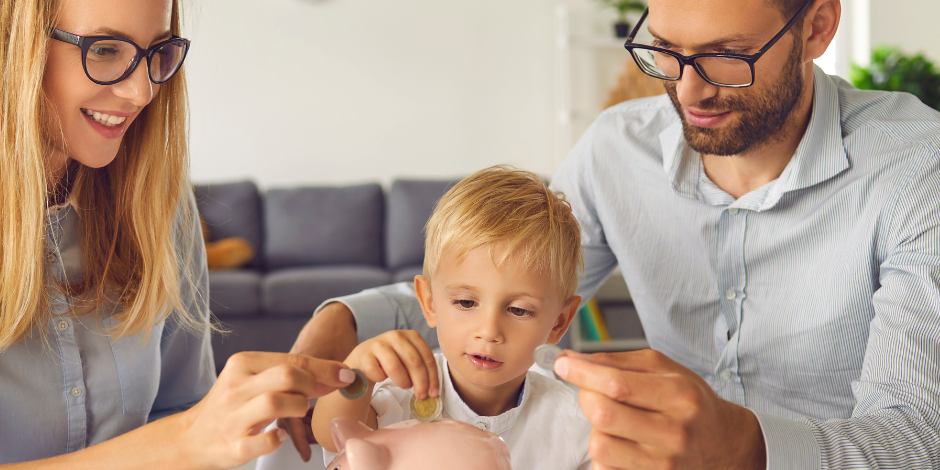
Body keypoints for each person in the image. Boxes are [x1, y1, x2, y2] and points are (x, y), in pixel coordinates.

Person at [282, 0, 940, 467]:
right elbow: (502, 281)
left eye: (728, 56)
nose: (689, 92)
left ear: (819, 25)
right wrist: (343, 319)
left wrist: (744, 449)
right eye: (667, 51)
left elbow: (921, 441)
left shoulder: (917, 170)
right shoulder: (616, 150)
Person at [0, 0, 357, 467]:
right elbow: (181, 439)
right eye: (105, 49)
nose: (141, 91)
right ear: (13, 43)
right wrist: (184, 440)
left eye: (156, 52)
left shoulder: (161, 207)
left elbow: (181, 411)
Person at [310, 166, 592, 470]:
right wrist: (357, 373)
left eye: (519, 310)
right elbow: (331, 434)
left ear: (559, 322)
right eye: (466, 302)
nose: (488, 331)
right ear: (429, 303)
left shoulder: (576, 422)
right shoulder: (397, 398)